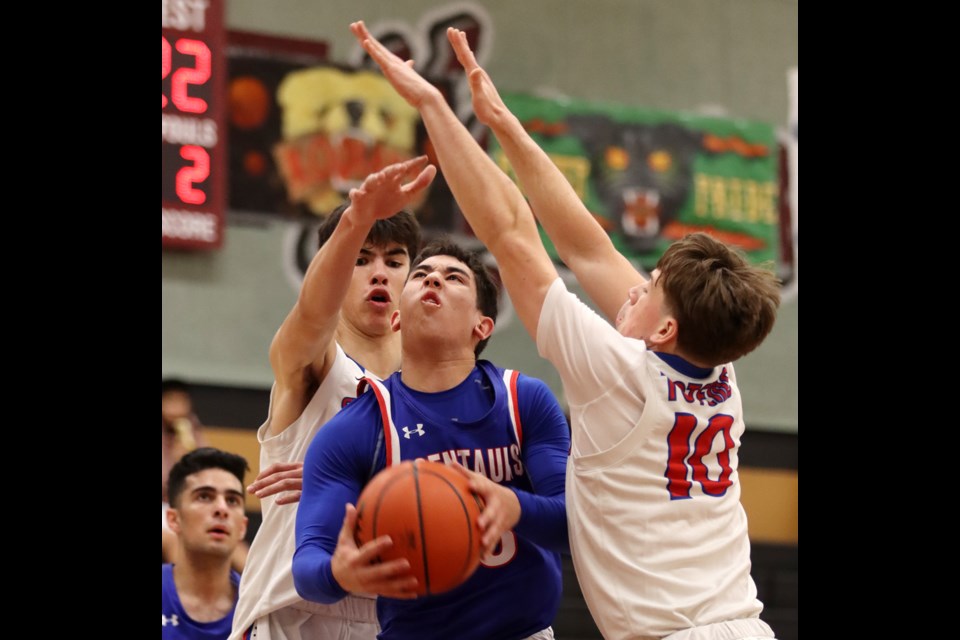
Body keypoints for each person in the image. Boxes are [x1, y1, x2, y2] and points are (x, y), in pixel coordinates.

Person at [352, 21, 781, 640]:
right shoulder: (718, 369)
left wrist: (434, 107)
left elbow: (510, 234)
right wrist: (501, 121)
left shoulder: (618, 372)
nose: (630, 286)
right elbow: (587, 245)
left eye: (647, 287)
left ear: (663, 327)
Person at [292, 239, 571, 640]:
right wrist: (337, 572)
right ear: (396, 318)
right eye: (420, 275)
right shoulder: (357, 428)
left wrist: (516, 507)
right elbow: (307, 567)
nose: (433, 279)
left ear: (482, 325)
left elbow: (575, 528)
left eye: (453, 277)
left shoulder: (523, 400)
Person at [230, 157, 433, 640]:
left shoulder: (434, 381)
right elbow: (312, 310)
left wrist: (340, 476)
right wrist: (354, 221)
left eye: (394, 260)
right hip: (293, 606)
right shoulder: (314, 358)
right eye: (360, 259)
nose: (378, 273)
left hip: (395, 610)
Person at [163, 447, 250, 640]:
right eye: (204, 496)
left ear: (243, 527)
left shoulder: (261, 606)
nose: (221, 509)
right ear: (173, 519)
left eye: (232, 500)